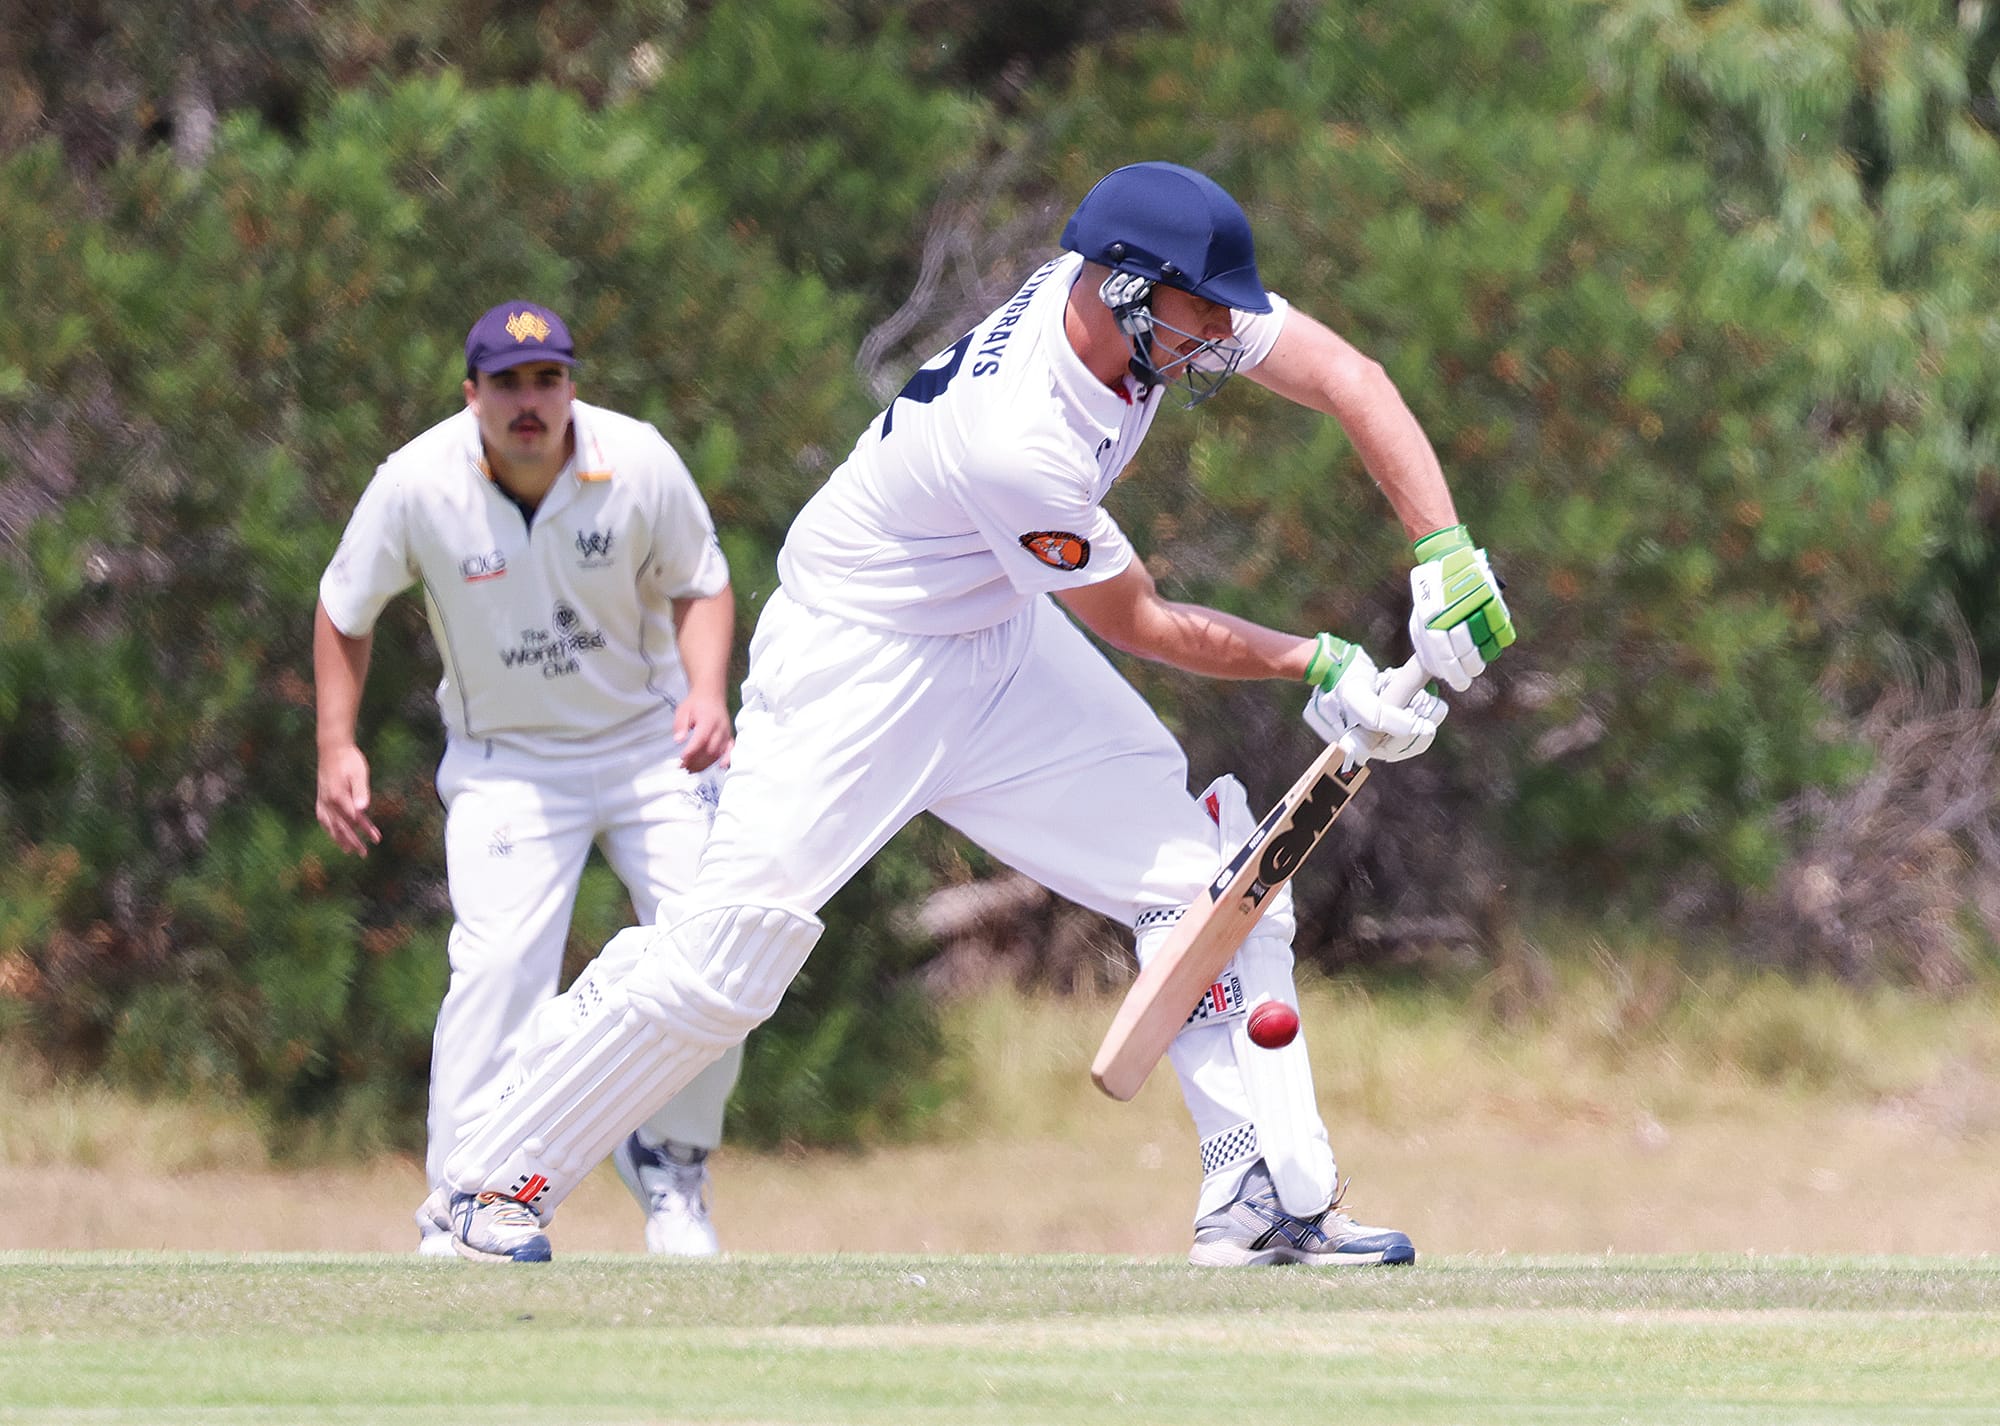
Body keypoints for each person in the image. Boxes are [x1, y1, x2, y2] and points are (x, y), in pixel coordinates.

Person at [426, 163, 1516, 1265]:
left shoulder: (1155, 300)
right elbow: (1136, 620)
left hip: (990, 633)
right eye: (1201, 310)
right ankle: (485, 1185)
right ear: (1127, 293)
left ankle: (1262, 1193)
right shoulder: (1019, 438)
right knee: (727, 958)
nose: (1224, 330)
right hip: (860, 656)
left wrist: (1444, 551)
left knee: (1207, 883)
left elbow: (1348, 375)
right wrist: (1318, 660)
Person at [313, 300, 747, 1258]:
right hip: (510, 764)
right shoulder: (417, 483)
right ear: (473, 395)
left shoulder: (635, 461)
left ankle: (668, 1158)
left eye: (546, 379)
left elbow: (703, 582)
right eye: (506, 383)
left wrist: (709, 691)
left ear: (570, 388)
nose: (528, 400)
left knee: (722, 953)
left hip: (651, 744)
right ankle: (460, 1204)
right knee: (501, 971)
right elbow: (345, 606)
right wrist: (337, 746)